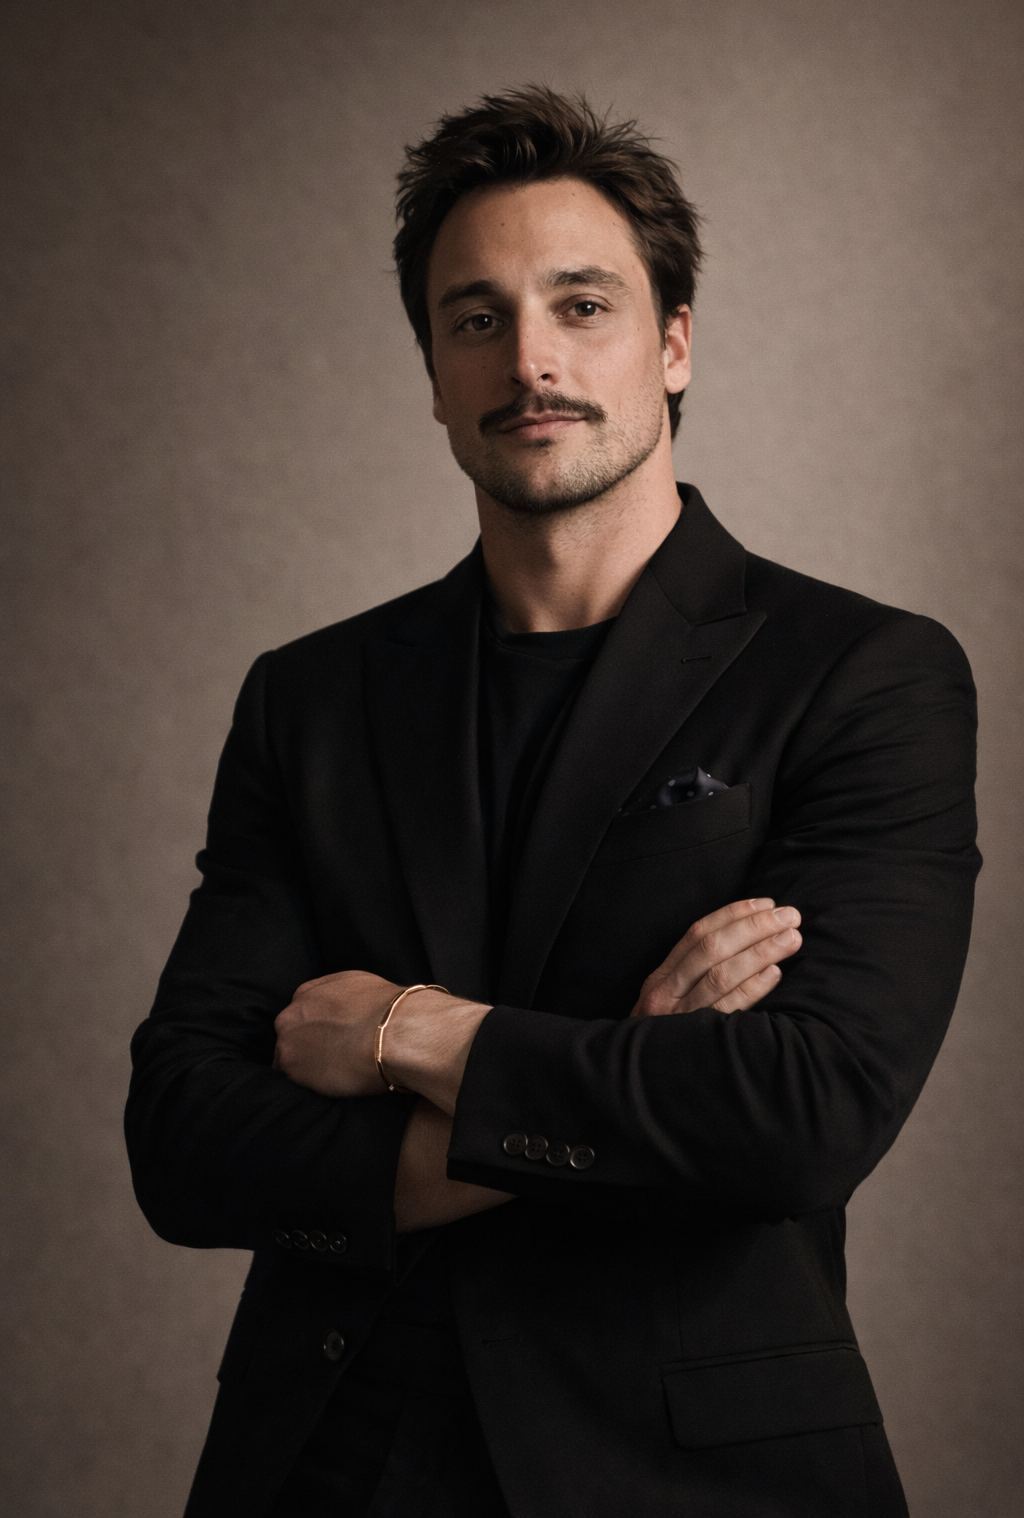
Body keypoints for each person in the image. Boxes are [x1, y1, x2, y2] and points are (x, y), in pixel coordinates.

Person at [125, 87, 980, 1518]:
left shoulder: (864, 674)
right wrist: (633, 1067)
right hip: (331, 1454)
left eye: (582, 306)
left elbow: (803, 1116)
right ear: (433, 372)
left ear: (674, 343)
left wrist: (416, 1035)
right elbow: (187, 1146)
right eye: (477, 318)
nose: (530, 359)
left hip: (686, 1473)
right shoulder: (312, 698)